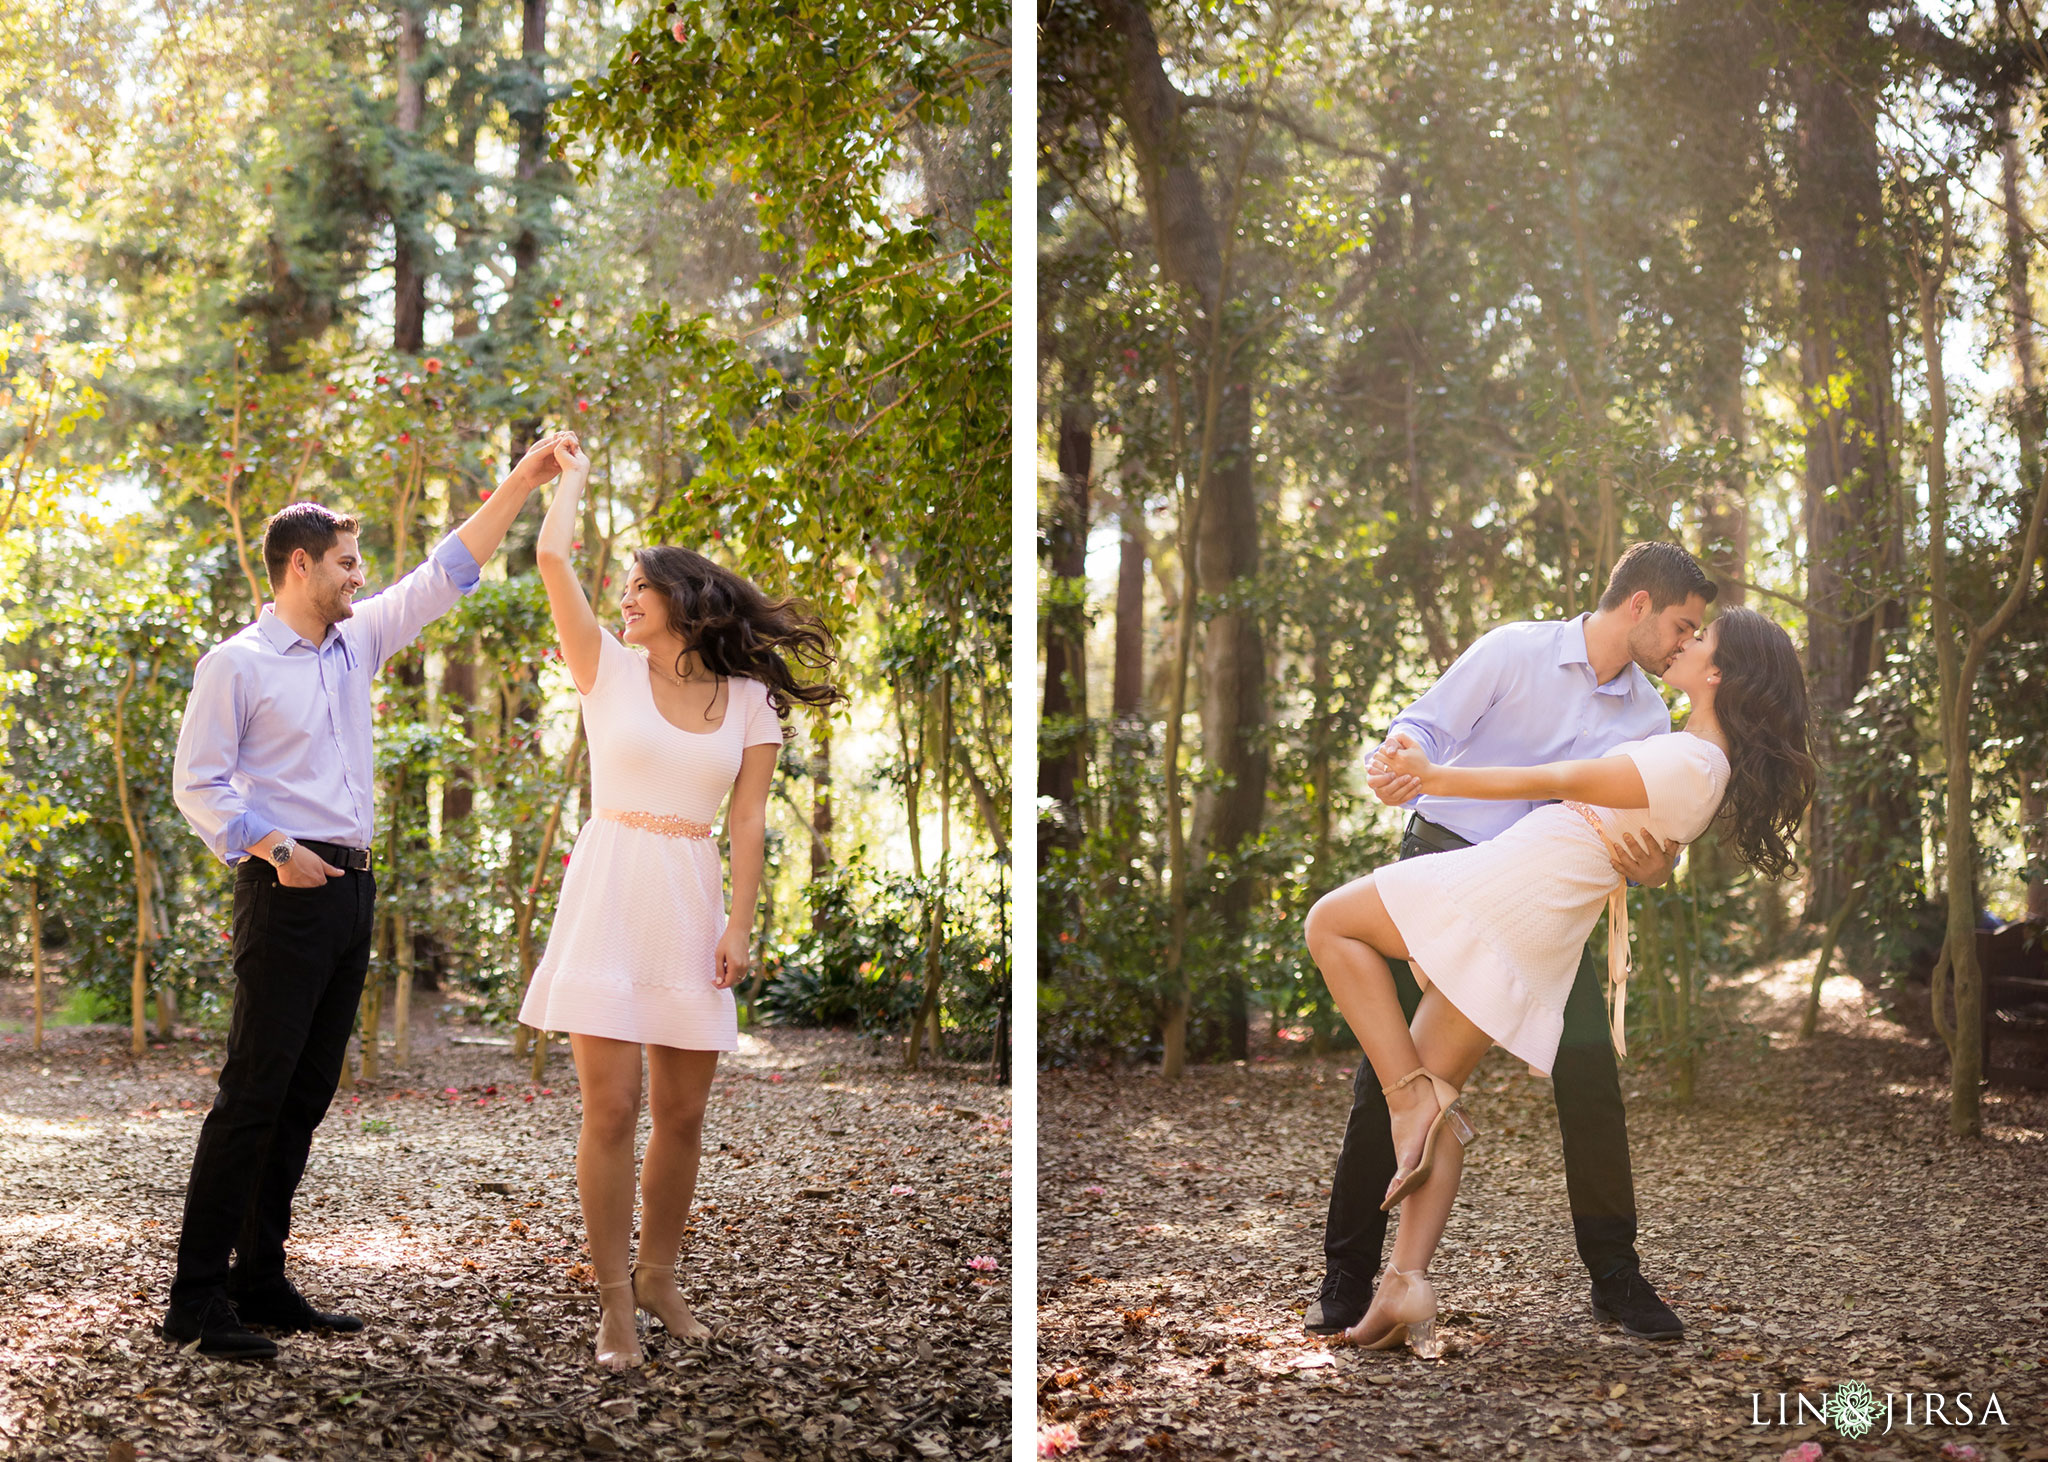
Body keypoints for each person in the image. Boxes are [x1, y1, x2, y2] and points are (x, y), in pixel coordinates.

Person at [1305, 603, 1815, 1355]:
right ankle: (1398, 1282)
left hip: (1506, 898)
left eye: (1696, 636)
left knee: (1330, 926)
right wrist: (1415, 754)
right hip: (1490, 883)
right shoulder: (1534, 658)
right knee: (1425, 1098)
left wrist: (1438, 777)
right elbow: (1437, 721)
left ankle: (1608, 1269)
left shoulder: (1678, 746)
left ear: (1718, 673)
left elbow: (1563, 778)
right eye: (1682, 624)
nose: (1681, 641)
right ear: (1641, 602)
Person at [165, 432, 574, 1359]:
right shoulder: (238, 663)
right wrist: (276, 848)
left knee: (305, 1097)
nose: (361, 577)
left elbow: (448, 570)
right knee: (251, 1097)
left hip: (352, 893)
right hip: (286, 891)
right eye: (348, 563)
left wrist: (524, 477)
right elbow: (199, 783)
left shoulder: (358, 643)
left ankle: (257, 1281)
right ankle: (194, 1300)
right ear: (300, 565)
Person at [517, 436, 842, 1369]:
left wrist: (742, 922)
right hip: (610, 893)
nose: (624, 601)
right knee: (611, 1108)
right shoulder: (604, 670)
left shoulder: (748, 704)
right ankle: (613, 1299)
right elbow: (549, 557)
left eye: (639, 590)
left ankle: (660, 1275)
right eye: (621, 589)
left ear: (686, 604)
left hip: (692, 901)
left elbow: (748, 823)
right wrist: (570, 479)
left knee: (686, 1114)